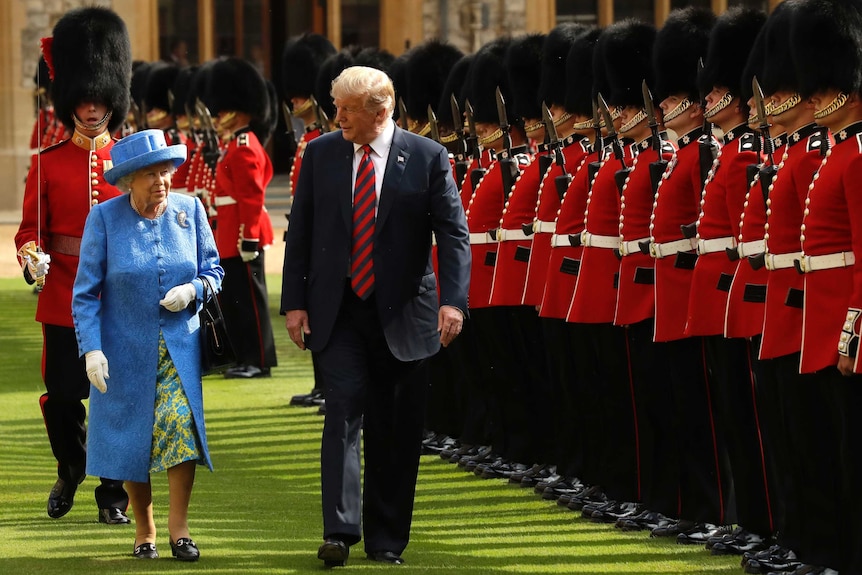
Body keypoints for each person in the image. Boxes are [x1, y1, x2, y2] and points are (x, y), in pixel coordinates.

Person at [281, 65, 470, 567]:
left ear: (379, 111)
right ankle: (339, 531)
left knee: (395, 427)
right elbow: (300, 230)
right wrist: (294, 302)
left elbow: (452, 234)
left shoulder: (428, 157)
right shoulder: (321, 154)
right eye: (335, 106)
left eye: (345, 109)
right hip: (338, 309)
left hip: (405, 312)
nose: (335, 116)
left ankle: (387, 538)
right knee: (341, 411)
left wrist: (454, 301)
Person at [72, 129, 223, 561]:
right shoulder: (104, 218)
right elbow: (85, 294)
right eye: (150, 174)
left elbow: (214, 270)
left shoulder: (190, 210)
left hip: (179, 347)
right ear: (128, 181)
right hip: (123, 350)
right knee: (132, 436)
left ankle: (180, 529)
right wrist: (92, 350)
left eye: (165, 171)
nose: (161, 181)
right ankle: (144, 529)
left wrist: (194, 289)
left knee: (180, 429)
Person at [14, 6, 131, 525]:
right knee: (63, 398)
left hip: (118, 299)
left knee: (114, 399)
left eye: (99, 98)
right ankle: (70, 467)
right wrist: (31, 257)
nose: (90, 108)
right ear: (69, 103)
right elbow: (28, 232)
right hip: (62, 295)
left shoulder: (132, 158)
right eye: (82, 100)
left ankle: (112, 495)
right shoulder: (47, 161)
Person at [203, 57, 277, 379]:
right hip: (230, 234)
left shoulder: (245, 146)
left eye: (222, 110)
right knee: (235, 301)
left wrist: (248, 236)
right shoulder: (233, 144)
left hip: (243, 235)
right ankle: (242, 357)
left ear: (240, 110)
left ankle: (258, 361)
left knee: (250, 303)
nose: (218, 116)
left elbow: (251, 196)